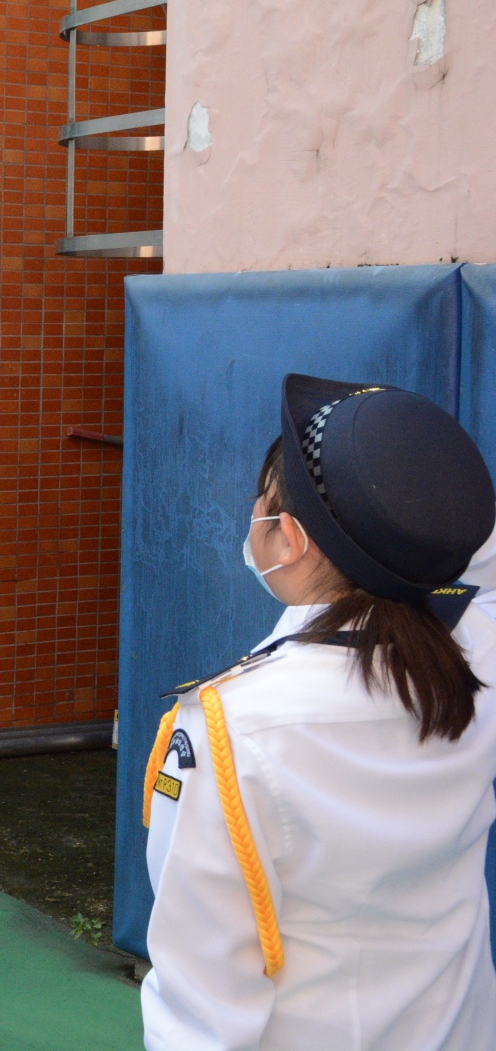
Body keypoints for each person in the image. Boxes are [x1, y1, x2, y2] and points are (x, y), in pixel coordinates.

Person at [142, 375, 496, 1048]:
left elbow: (201, 1008)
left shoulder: (232, 727)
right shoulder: (476, 649)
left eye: (261, 504)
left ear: (289, 538)